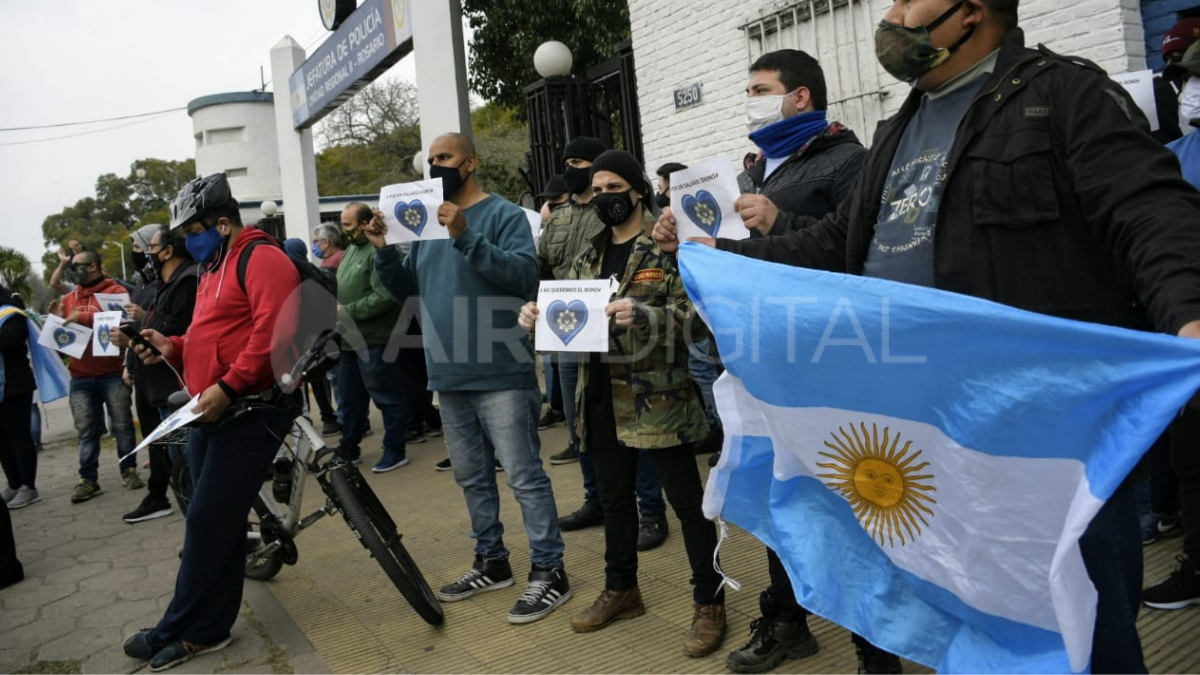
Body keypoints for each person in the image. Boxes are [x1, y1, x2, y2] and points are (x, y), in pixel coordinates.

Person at [654, 0, 1200, 671]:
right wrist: (714, 255)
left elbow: (1150, 211)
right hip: (927, 434)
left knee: (1082, 624)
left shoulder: (1065, 94)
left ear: (969, 13)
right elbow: (834, 245)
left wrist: (1190, 315)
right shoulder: (899, 127)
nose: (893, 14)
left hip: (1038, 436)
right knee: (967, 609)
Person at [520, 149, 725, 656]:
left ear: (638, 191)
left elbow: (700, 319)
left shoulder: (666, 245)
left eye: (615, 188)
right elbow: (567, 321)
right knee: (614, 500)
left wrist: (648, 316)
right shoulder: (587, 254)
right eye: (598, 190)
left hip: (658, 397)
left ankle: (710, 600)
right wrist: (536, 320)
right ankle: (622, 589)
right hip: (599, 394)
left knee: (687, 502)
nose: (605, 197)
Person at [371, 132, 571, 625]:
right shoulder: (425, 227)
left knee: (523, 475)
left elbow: (522, 276)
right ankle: (492, 561)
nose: (435, 165)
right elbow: (409, 291)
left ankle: (550, 570)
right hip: (448, 371)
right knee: (472, 477)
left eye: (445, 157)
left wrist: (465, 234)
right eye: (431, 159)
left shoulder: (502, 215)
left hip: (500, 368)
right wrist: (383, 251)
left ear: (471, 163)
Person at [122, 173, 300, 671]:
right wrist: (172, 346)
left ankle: (188, 629)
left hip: (250, 407)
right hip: (213, 407)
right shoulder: (213, 265)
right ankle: (202, 624)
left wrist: (229, 386)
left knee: (207, 522)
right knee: (217, 525)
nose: (187, 241)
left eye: (193, 231)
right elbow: (210, 334)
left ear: (222, 223)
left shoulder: (260, 258)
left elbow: (273, 334)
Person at [539, 138, 669, 552]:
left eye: (580, 162)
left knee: (636, 431)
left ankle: (650, 510)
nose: (572, 169)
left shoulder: (646, 229)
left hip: (629, 342)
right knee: (584, 426)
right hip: (574, 332)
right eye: (568, 163)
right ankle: (596, 498)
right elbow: (544, 266)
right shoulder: (558, 216)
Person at [1141, 39, 1200, 613]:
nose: (1189, 92)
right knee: (1191, 461)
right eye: (1186, 80)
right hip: (1186, 338)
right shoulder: (1174, 158)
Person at [112, 226, 200, 523]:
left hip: (176, 388)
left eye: (148, 247)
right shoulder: (164, 283)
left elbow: (176, 333)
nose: (143, 254)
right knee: (178, 463)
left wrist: (132, 337)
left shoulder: (187, 281)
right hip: (160, 388)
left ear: (167, 251)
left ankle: (213, 531)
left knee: (189, 464)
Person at [58, 249, 143, 502]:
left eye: (76, 266)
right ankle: (88, 479)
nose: (72, 271)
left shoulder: (115, 292)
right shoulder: (70, 297)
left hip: (112, 372)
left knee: (122, 425)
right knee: (86, 429)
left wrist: (82, 316)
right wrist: (57, 325)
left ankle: (128, 471)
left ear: (93, 266)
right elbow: (66, 334)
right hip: (80, 375)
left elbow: (122, 320)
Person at [334, 203, 412, 474]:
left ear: (365, 224)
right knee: (349, 400)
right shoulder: (351, 250)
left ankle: (395, 450)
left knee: (387, 397)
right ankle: (348, 448)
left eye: (348, 225)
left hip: (375, 339)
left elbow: (386, 297)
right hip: (349, 340)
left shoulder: (379, 251)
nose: (344, 230)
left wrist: (346, 311)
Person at [0, 287, 43, 509]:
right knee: (2, 441)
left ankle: (29, 486)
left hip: (14, 387)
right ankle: (14, 484)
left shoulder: (11, 313)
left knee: (19, 438)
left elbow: (9, 341)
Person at [312, 223, 346, 436]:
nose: (315, 245)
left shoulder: (337, 260)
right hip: (331, 325)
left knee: (339, 377)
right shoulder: (328, 261)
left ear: (328, 241)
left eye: (317, 241)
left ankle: (346, 418)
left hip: (337, 325)